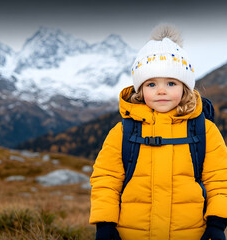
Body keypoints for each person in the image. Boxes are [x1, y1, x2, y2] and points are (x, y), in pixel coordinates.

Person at [89, 24, 227, 240]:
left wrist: (217, 224)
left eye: (171, 83)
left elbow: (220, 180)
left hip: (192, 233)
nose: (161, 90)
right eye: (151, 84)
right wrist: (105, 224)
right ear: (140, 89)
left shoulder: (205, 131)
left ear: (185, 88)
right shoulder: (123, 131)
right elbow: (106, 180)